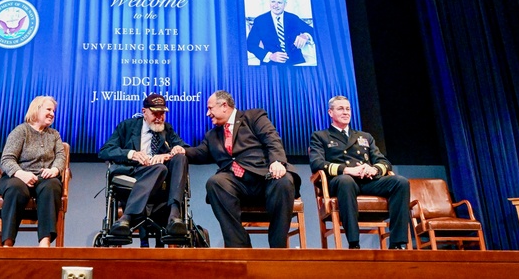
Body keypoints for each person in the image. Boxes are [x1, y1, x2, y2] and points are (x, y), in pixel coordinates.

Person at [184, 90, 300, 248]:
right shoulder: (212, 135)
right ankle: (240, 247)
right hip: (237, 184)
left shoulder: (253, 117)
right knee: (215, 182)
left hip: (264, 178)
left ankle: (278, 249)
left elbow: (272, 139)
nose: (207, 113)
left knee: (284, 181)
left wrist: (278, 162)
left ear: (224, 106)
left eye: (210, 108)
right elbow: (199, 153)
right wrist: (179, 150)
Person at [309, 95, 409, 250]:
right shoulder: (320, 136)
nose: (345, 112)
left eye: (348, 109)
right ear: (330, 112)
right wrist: (348, 170)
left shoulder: (365, 136)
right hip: (341, 182)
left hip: (368, 181)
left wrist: (374, 169)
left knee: (400, 182)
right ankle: (354, 243)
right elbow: (317, 163)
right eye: (340, 108)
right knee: (346, 181)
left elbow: (384, 162)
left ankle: (397, 243)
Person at [98, 93, 190, 238]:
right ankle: (128, 216)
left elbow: (184, 147)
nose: (159, 117)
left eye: (162, 113)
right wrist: (131, 154)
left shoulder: (167, 129)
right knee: (160, 168)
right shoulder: (127, 126)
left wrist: (172, 153)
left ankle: (174, 215)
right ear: (144, 112)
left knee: (179, 159)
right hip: (134, 171)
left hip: (161, 177)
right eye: (155, 113)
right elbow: (105, 151)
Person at [0, 95, 66, 247]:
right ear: (36, 109)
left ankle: (44, 242)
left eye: (53, 111)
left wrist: (54, 169)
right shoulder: (21, 131)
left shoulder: (54, 135)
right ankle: (7, 243)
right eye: (48, 109)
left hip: (44, 178)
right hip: (17, 176)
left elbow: (61, 157)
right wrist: (21, 174)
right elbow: (7, 159)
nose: (52, 114)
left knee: (52, 186)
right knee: (16, 188)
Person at [246, 0, 315, 66]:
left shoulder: (293, 18)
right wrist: (270, 56)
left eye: (279, 2)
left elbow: (313, 31)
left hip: (296, 62)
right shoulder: (260, 21)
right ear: (269, 2)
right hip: (271, 64)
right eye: (273, 2)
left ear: (285, 4)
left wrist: (306, 35)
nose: (275, 5)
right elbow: (250, 45)